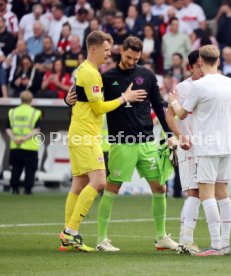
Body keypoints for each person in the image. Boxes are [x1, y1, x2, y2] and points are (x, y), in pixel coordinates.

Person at [65, 36, 178, 253]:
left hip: (147, 142)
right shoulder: (105, 77)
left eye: (136, 58)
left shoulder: (147, 75)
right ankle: (102, 239)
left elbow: (158, 104)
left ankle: (161, 237)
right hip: (121, 142)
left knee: (160, 187)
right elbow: (84, 98)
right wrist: (66, 100)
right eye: (128, 57)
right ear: (121, 52)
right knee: (111, 188)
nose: (132, 62)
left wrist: (170, 133)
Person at [59, 30, 147, 252]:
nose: (110, 54)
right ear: (95, 49)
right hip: (85, 134)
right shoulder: (91, 73)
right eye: (107, 50)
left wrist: (67, 99)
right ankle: (70, 231)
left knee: (79, 184)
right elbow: (98, 107)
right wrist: (124, 98)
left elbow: (77, 97)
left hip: (81, 132)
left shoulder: (85, 70)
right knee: (99, 182)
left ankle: (68, 234)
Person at [169, 45, 231, 256]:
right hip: (225, 144)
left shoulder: (198, 86)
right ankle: (224, 243)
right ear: (218, 60)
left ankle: (216, 245)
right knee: (223, 194)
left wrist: (172, 101)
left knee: (206, 194)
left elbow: (181, 113)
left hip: (206, 146)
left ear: (202, 62)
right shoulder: (230, 82)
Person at [166, 50, 204, 255]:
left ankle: (187, 239)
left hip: (208, 146)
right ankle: (186, 239)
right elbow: (169, 115)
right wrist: (181, 137)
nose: (202, 69)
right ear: (190, 67)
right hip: (189, 145)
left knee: (204, 192)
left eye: (204, 64)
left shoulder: (210, 85)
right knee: (194, 191)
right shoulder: (183, 87)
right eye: (198, 65)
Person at [5, 90, 42, 194]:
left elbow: (7, 128)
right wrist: (25, 138)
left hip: (15, 145)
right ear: (31, 100)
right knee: (30, 169)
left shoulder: (12, 111)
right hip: (30, 146)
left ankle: (14, 189)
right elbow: (37, 129)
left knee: (15, 168)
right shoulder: (36, 112)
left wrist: (15, 139)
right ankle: (28, 189)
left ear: (20, 99)